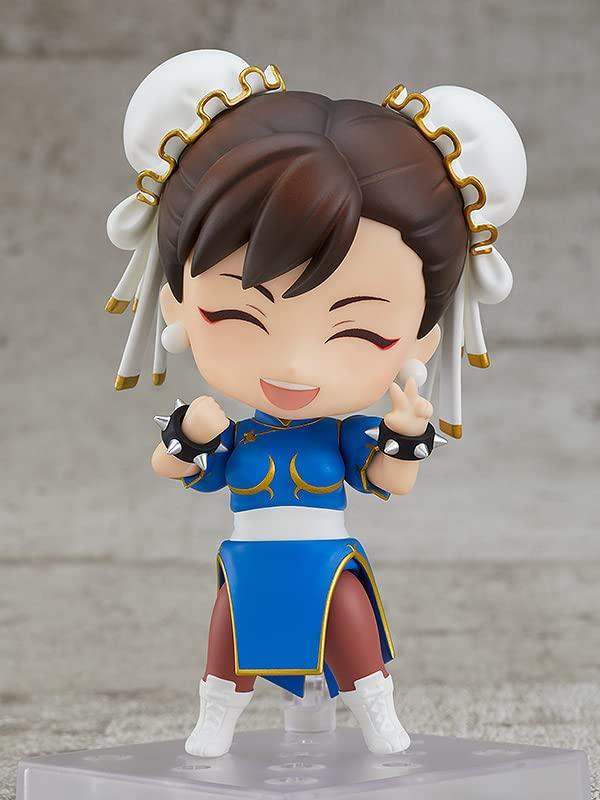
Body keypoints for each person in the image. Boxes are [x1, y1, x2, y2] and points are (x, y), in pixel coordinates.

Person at [105, 49, 526, 757]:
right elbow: (169, 467)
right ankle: (217, 717)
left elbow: (392, 480)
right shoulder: (236, 436)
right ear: (177, 300)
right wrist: (191, 436)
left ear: (424, 336)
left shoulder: (344, 436)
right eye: (237, 316)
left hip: (330, 562)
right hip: (248, 563)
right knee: (229, 638)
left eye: (360, 331)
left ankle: (374, 712)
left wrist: (404, 432)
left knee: (351, 631)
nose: (297, 365)